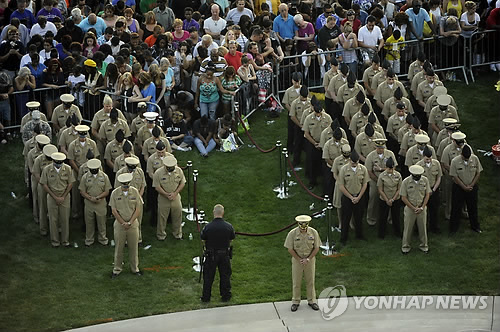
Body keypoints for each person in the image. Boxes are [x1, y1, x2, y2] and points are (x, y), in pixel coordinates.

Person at [110, 173, 143, 278]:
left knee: (134, 248)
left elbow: (138, 209)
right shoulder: (115, 193)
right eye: (124, 184)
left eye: (127, 183)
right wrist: (122, 222)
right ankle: (117, 269)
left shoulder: (135, 192)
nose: (126, 186)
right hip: (120, 225)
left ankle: (135, 268)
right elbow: (114, 210)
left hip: (133, 225)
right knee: (119, 248)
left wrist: (130, 222)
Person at [284, 215, 321, 312]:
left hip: (310, 260)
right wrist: (299, 259)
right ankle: (295, 301)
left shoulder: (313, 232)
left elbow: (316, 247)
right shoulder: (292, 233)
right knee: (296, 281)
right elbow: (290, 248)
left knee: (310, 281)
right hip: (297, 261)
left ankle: (312, 300)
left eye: (305, 225)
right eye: (301, 225)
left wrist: (308, 258)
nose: (303, 228)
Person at [200, 204, 235, 303]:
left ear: (213, 213)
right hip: (224, 255)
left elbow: (203, 238)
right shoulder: (228, 226)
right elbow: (231, 238)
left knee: (208, 277)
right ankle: (226, 296)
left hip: (211, 255)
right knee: (225, 276)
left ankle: (206, 297)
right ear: (223, 213)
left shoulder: (208, 227)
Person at [40, 152, 75, 247]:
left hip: (65, 196)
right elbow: (44, 184)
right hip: (52, 196)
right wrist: (55, 197)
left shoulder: (67, 168)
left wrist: (63, 196)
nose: (59, 164)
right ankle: (55, 241)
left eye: (60, 162)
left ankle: (65, 241)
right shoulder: (47, 169)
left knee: (64, 219)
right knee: (53, 219)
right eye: (57, 162)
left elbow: (70, 183)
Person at [338, 149, 369, 246]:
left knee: (359, 217)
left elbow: (364, 184)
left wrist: (359, 196)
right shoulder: (344, 169)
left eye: (356, 162)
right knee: (346, 218)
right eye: (352, 162)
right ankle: (343, 238)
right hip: (348, 197)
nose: (354, 164)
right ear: (349, 160)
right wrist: (351, 197)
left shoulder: (363, 169)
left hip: (359, 196)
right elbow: (341, 186)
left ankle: (359, 235)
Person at [449, 145, 482, 234]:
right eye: (465, 158)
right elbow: (454, 176)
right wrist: (463, 186)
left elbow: (478, 172)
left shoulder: (475, 159)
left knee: (473, 207)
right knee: (456, 208)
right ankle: (453, 228)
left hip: (472, 187)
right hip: (459, 188)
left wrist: (472, 184)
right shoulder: (455, 161)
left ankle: (475, 226)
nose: (467, 159)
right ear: (461, 155)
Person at [365, 138, 398, 226]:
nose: (381, 150)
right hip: (375, 180)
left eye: (382, 148)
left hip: (389, 181)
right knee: (373, 198)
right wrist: (378, 181)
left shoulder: (390, 154)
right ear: (375, 147)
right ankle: (371, 219)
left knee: (390, 198)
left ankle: (390, 219)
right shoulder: (371, 156)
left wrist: (382, 169)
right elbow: (369, 171)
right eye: (379, 148)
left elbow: (393, 167)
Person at [79, 158, 111, 246]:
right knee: (89, 223)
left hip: (100, 203)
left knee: (101, 223)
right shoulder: (85, 177)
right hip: (89, 203)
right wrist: (90, 198)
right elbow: (82, 191)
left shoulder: (104, 176)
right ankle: (89, 240)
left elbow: (107, 191)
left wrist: (98, 197)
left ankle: (103, 239)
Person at [153, 155, 186, 240]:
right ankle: (161, 235)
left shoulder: (179, 171)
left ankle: (178, 234)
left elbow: (182, 183)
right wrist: (166, 194)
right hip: (163, 198)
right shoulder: (158, 173)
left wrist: (175, 193)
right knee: (162, 218)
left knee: (177, 216)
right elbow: (157, 186)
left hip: (176, 197)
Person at [302, 99, 332, 190]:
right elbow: (306, 133)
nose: (318, 115)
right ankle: (312, 181)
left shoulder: (327, 117)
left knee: (324, 164)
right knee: (312, 163)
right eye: (316, 113)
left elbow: (330, 131)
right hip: (313, 143)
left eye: (320, 113)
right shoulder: (309, 118)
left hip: (324, 144)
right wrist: (314, 143)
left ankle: (323, 182)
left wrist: (322, 144)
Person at [400, 164, 431, 254]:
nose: (417, 178)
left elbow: (427, 194)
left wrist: (422, 207)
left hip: (422, 208)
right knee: (408, 228)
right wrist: (413, 208)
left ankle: (424, 246)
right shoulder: (406, 182)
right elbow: (403, 197)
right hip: (410, 208)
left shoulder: (425, 180)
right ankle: (405, 246)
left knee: (423, 228)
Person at [417, 146, 442, 234]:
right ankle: (421, 228)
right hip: (423, 191)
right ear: (423, 156)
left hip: (433, 189)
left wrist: (434, 189)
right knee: (422, 210)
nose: (429, 160)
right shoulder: (418, 165)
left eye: (430, 158)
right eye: (427, 159)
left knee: (434, 209)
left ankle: (434, 227)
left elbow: (438, 177)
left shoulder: (436, 163)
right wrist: (427, 191)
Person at [377, 157, 402, 238]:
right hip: (384, 199)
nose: (390, 170)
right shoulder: (382, 176)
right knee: (383, 217)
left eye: (391, 168)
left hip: (395, 199)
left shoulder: (398, 175)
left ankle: (397, 232)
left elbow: (399, 189)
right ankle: (381, 233)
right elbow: (380, 189)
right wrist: (387, 200)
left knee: (396, 217)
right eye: (388, 168)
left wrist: (393, 199)